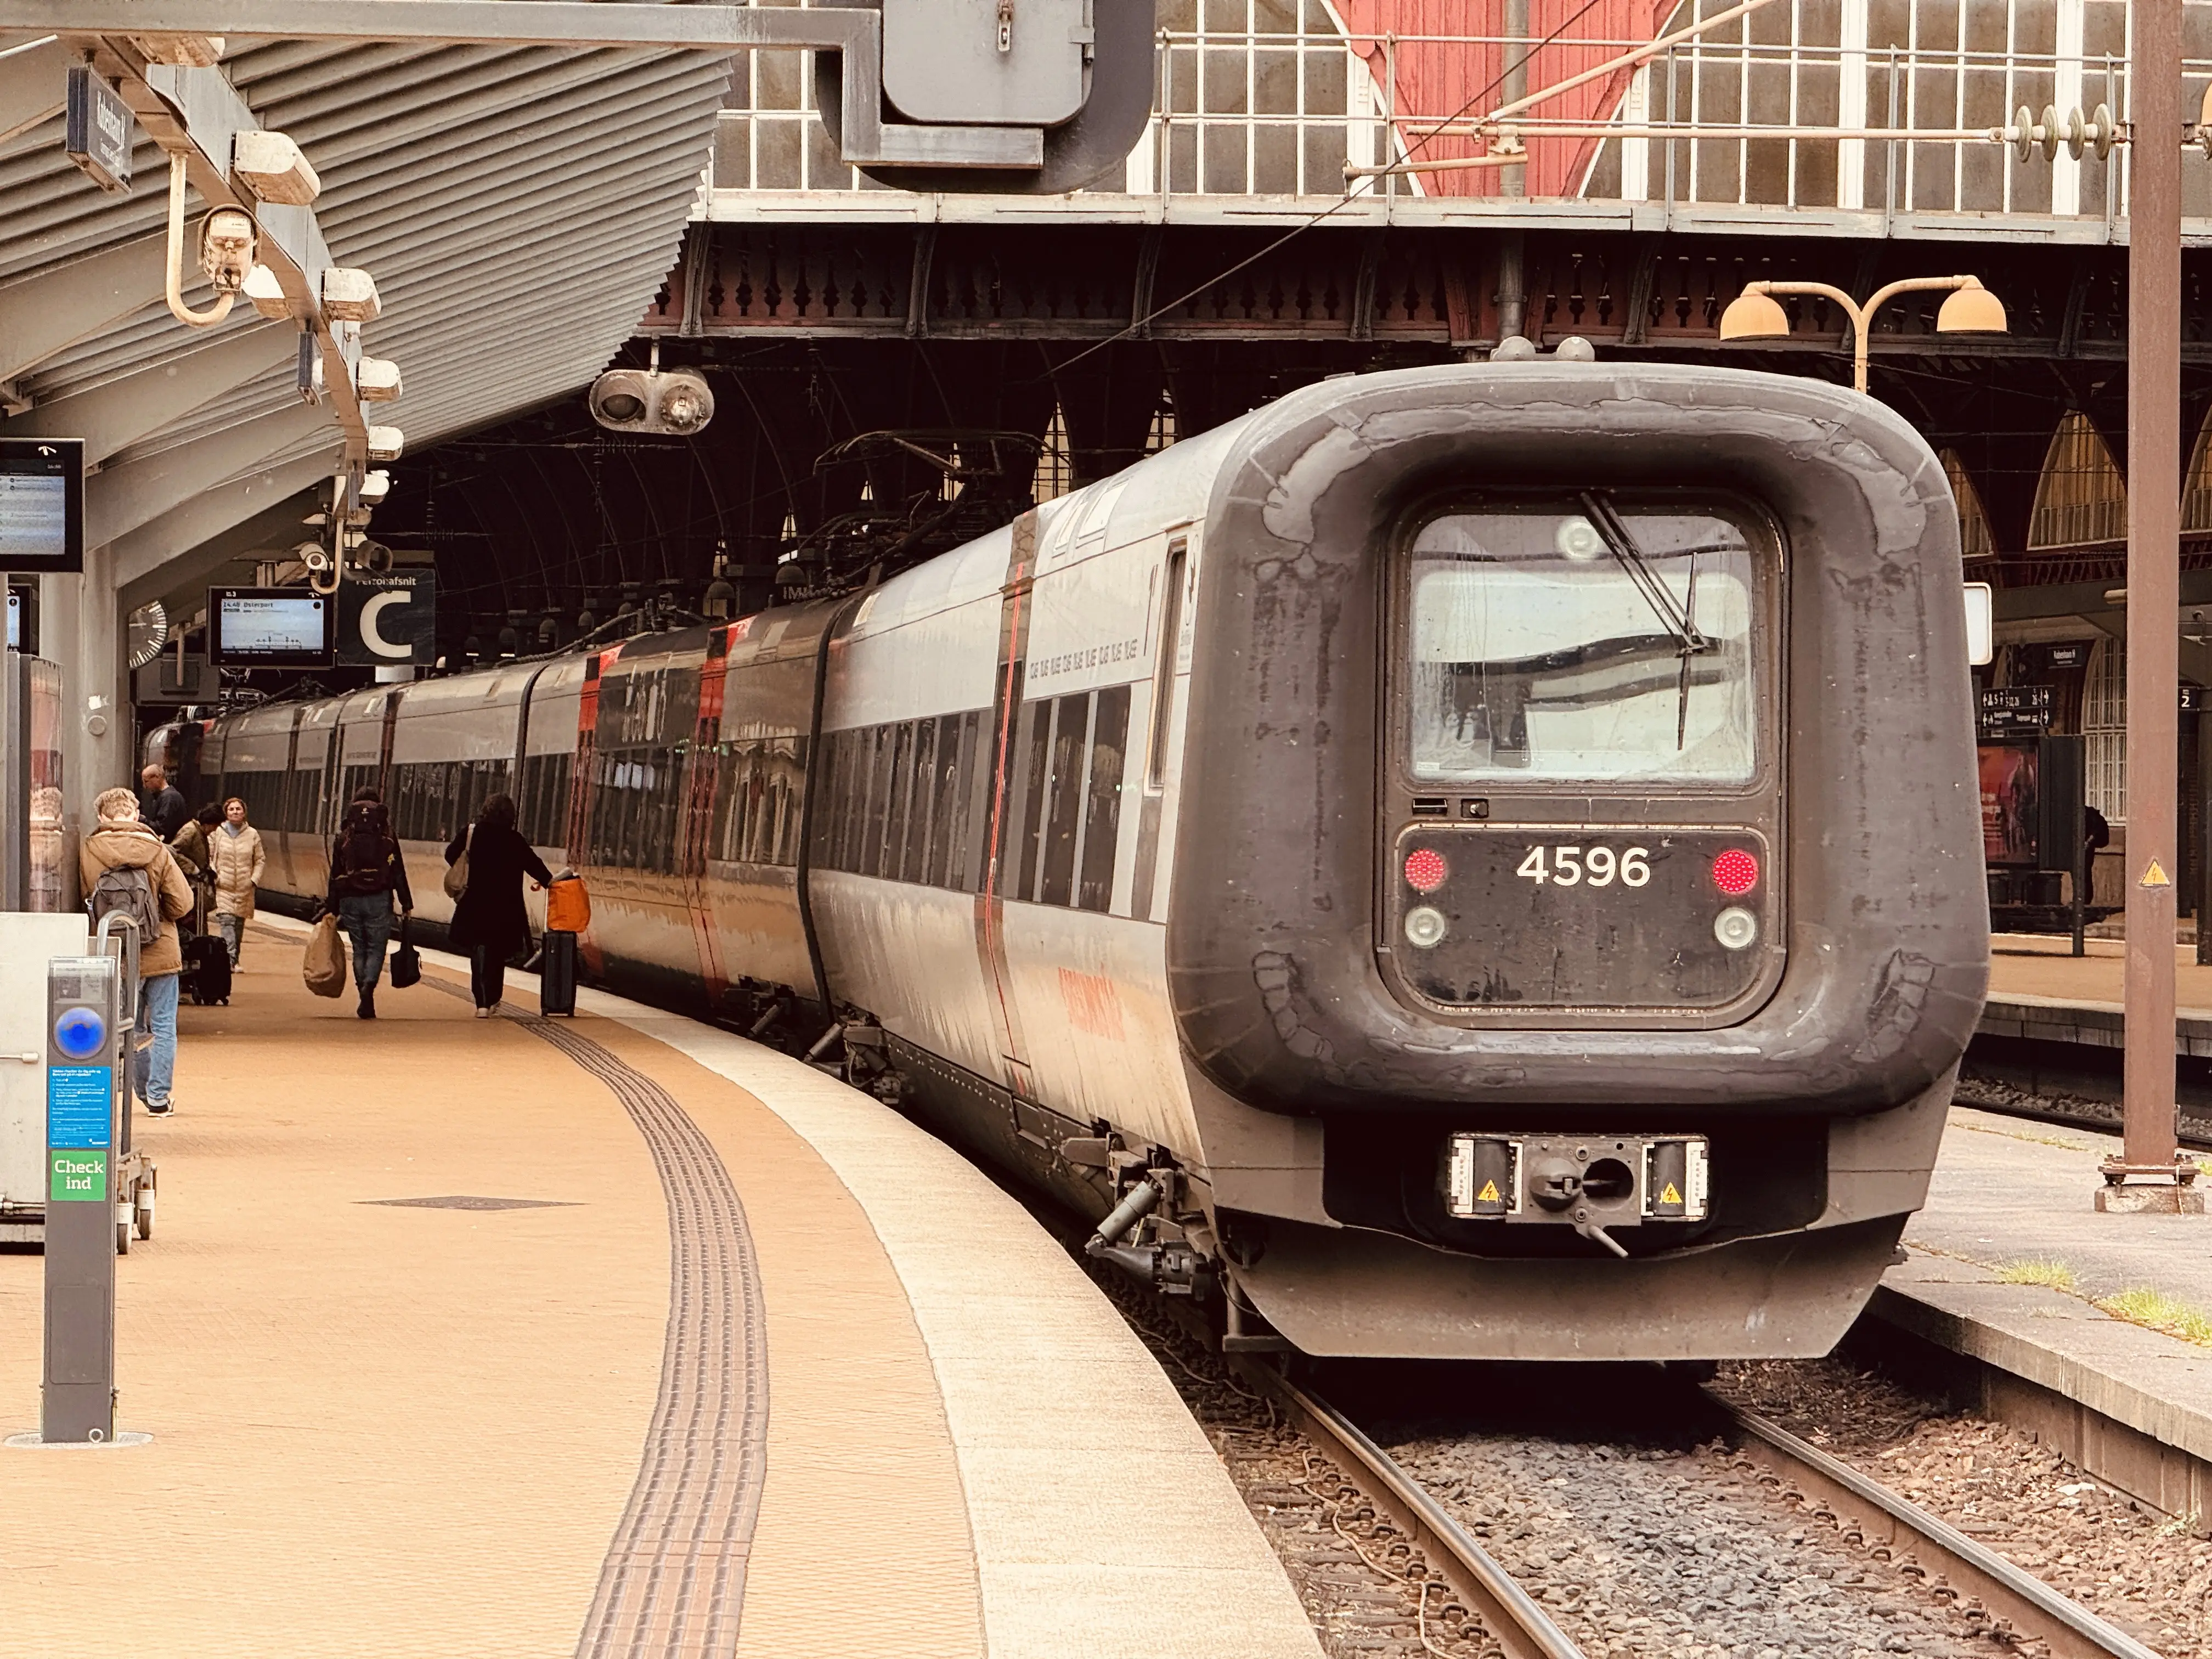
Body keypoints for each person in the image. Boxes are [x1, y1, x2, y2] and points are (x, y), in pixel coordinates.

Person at [80, 787, 193, 1116]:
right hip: (160, 950)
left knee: (125, 1025)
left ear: (102, 816)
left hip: (114, 950)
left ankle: (132, 1086)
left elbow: (83, 896)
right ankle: (156, 1097)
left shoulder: (89, 849)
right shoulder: (157, 850)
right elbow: (183, 902)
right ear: (135, 813)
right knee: (163, 1027)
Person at [445, 793, 551, 1017]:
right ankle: (493, 998)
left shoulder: (472, 833)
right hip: (506, 908)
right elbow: (535, 865)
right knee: (498, 954)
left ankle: (481, 1002)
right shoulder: (514, 840)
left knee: (479, 951)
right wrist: (552, 882)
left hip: (475, 903)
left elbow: (450, 855)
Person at [325, 786, 412, 1019]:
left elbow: (335, 873)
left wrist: (331, 907)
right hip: (379, 898)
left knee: (359, 948)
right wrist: (406, 902)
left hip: (350, 899)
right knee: (376, 947)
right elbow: (397, 870)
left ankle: (361, 986)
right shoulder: (387, 836)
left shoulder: (344, 836)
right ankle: (369, 988)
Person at [208, 796, 266, 969]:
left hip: (244, 888)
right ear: (226, 813)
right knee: (227, 922)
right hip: (223, 887)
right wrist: (215, 875)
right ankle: (229, 960)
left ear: (244, 812)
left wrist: (254, 880)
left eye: (238, 809)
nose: (235, 812)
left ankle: (235, 958)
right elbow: (209, 856)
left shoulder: (253, 834)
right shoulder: (217, 833)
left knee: (239, 926)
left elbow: (260, 859)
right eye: (231, 809)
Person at [138, 764, 188, 840]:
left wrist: (144, 820)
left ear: (157, 777)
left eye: (146, 781)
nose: (145, 786)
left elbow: (162, 828)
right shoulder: (166, 796)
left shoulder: (170, 798)